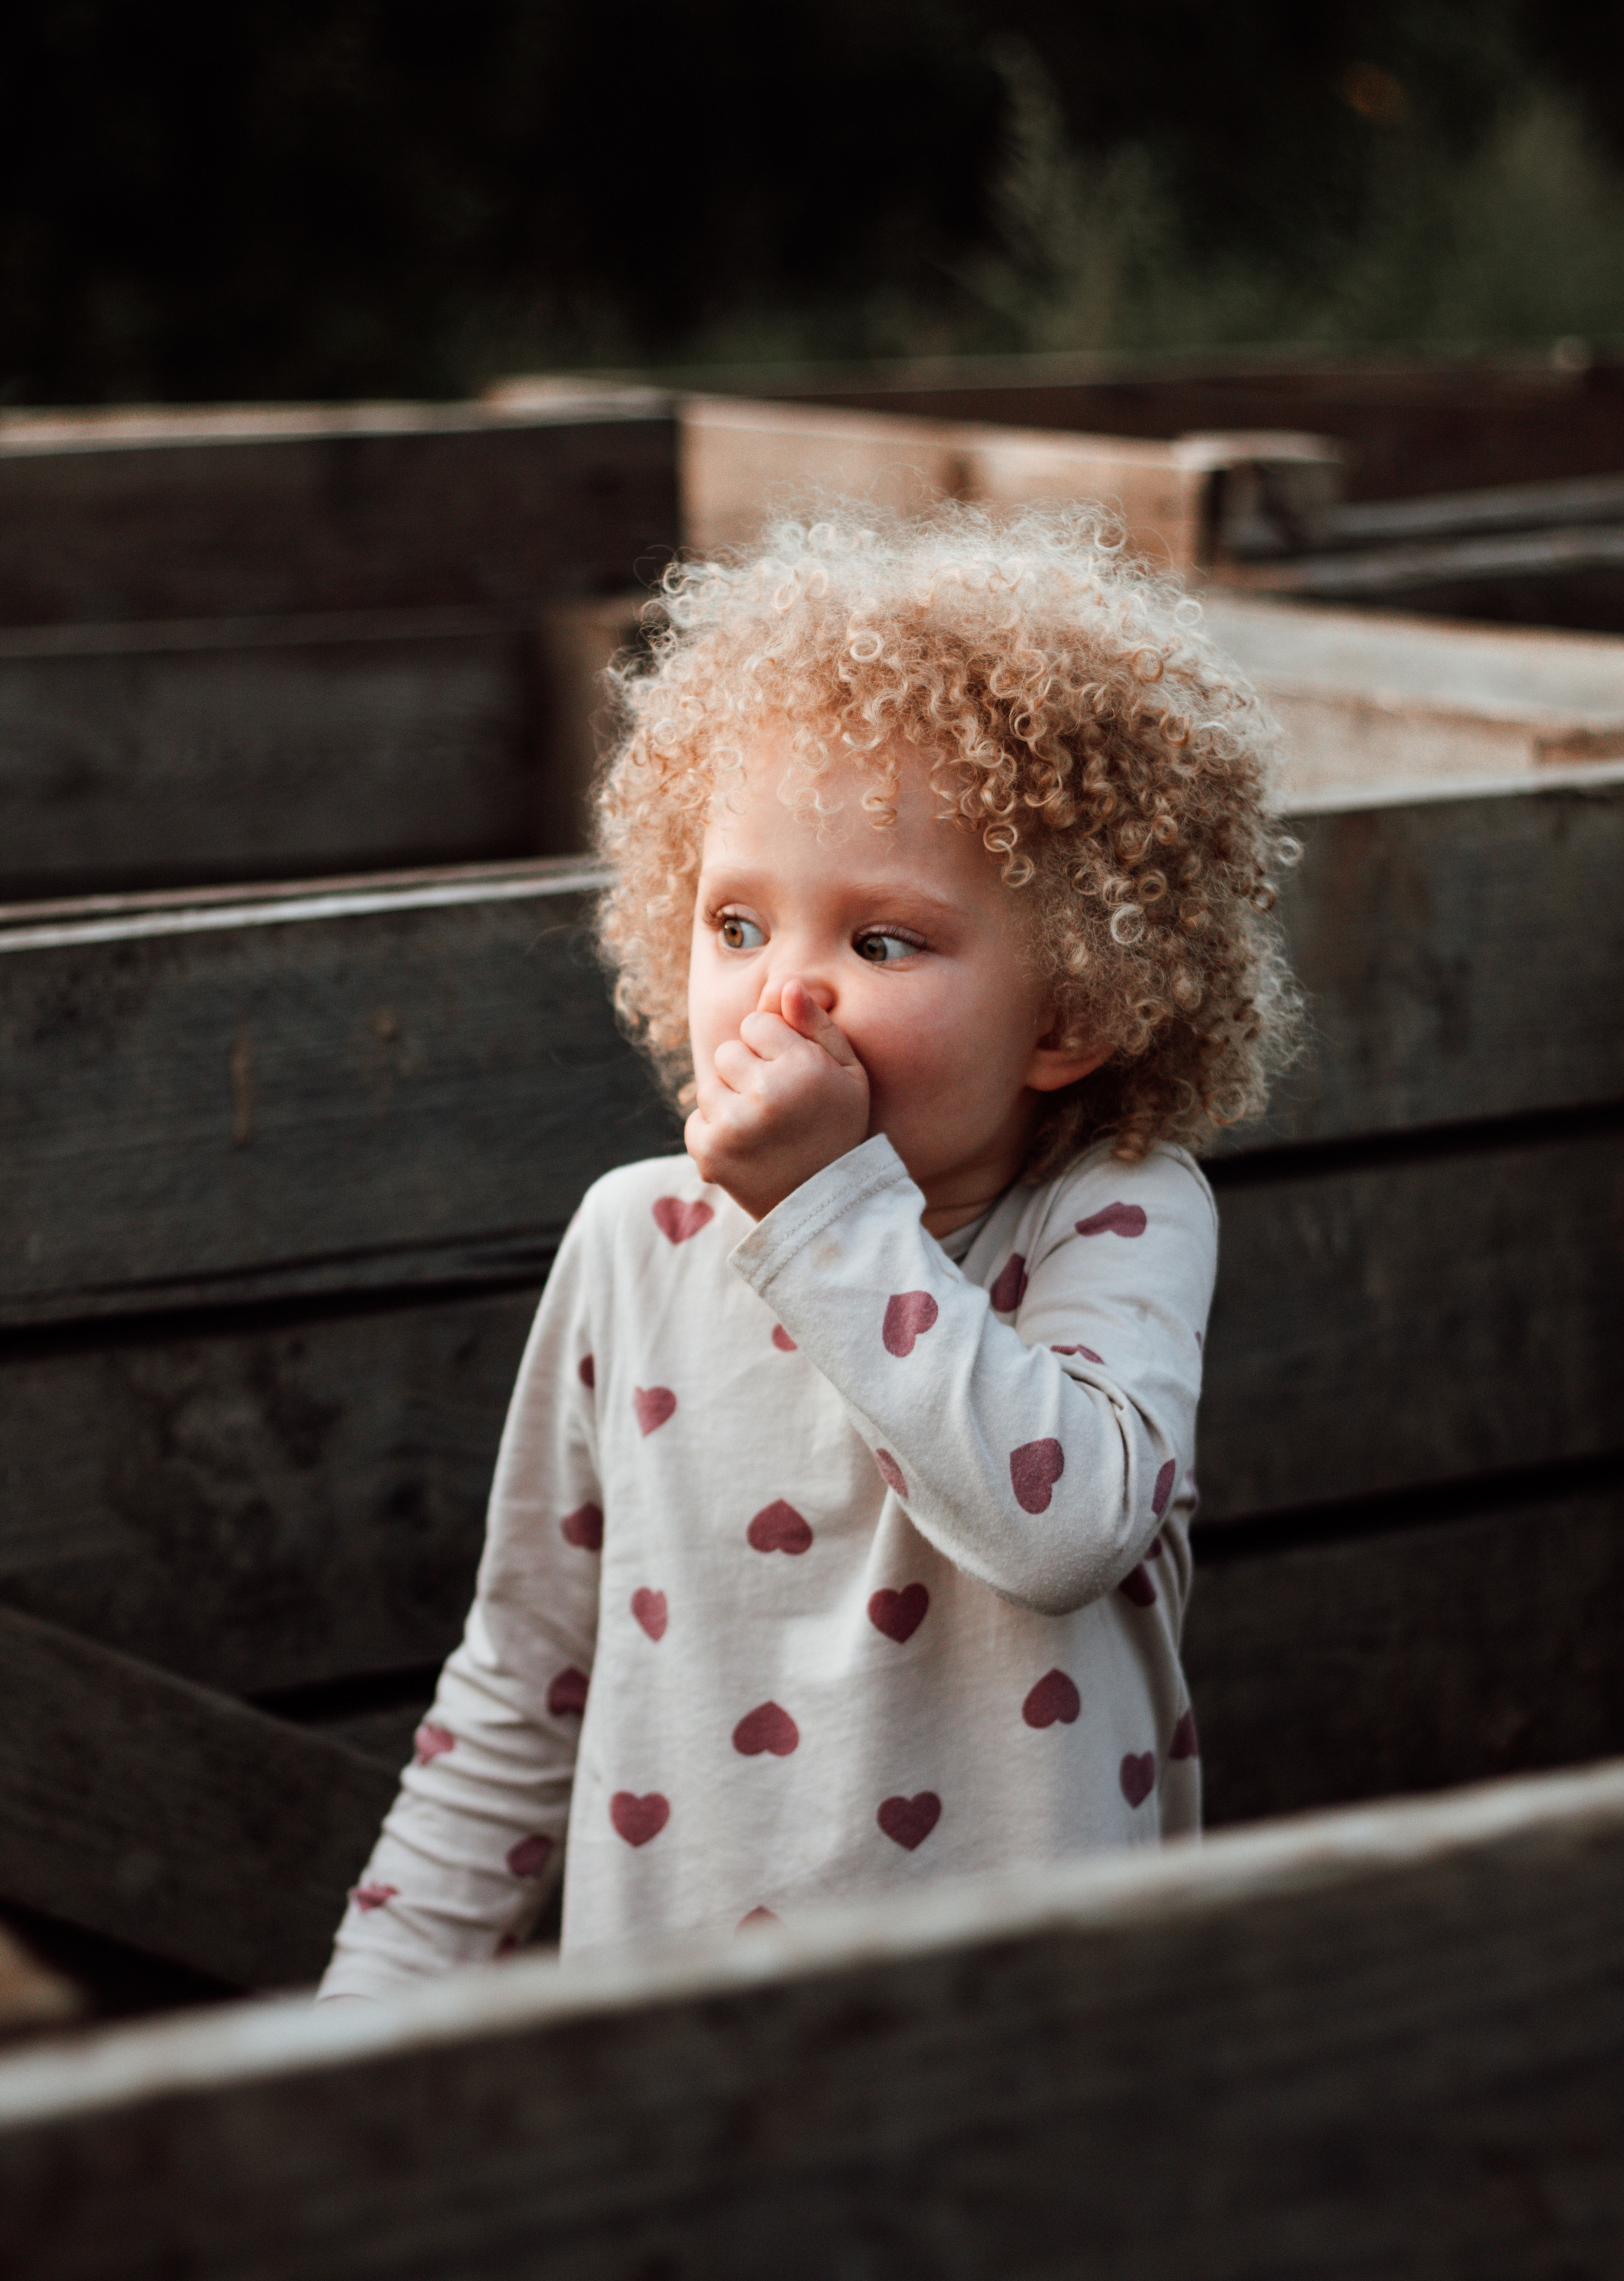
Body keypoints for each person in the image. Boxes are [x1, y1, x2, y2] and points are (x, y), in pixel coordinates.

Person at [319, 498, 1299, 1996]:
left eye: (881, 941)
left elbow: (1063, 1530)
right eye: (732, 924)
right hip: (672, 2064)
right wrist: (363, 2021)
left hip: (1021, 2072)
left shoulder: (1113, 1210)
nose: (783, 997)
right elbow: (524, 1684)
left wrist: (828, 1205)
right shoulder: (632, 1245)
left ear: (1070, 1013)